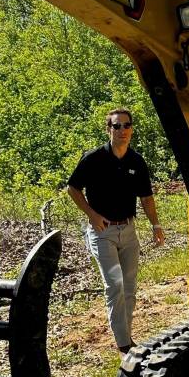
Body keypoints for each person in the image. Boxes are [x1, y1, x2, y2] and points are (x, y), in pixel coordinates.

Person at [65, 108, 165, 353]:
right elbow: (73, 189)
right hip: (102, 231)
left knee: (129, 286)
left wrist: (156, 225)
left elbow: (146, 198)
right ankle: (123, 344)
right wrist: (91, 214)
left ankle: (126, 335)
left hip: (129, 231)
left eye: (127, 125)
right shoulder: (93, 158)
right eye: (117, 126)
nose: (123, 131)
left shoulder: (137, 161)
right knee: (115, 284)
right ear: (108, 129)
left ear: (131, 129)